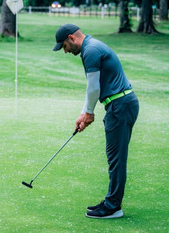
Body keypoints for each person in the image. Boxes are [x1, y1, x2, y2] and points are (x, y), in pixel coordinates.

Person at [53, 24, 139, 219]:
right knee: (114, 157)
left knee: (116, 158)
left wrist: (89, 113)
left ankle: (113, 207)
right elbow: (93, 89)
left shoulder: (90, 51)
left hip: (120, 106)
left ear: (71, 38)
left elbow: (93, 88)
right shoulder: (92, 46)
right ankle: (112, 202)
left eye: (64, 46)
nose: (65, 51)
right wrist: (84, 113)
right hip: (120, 104)